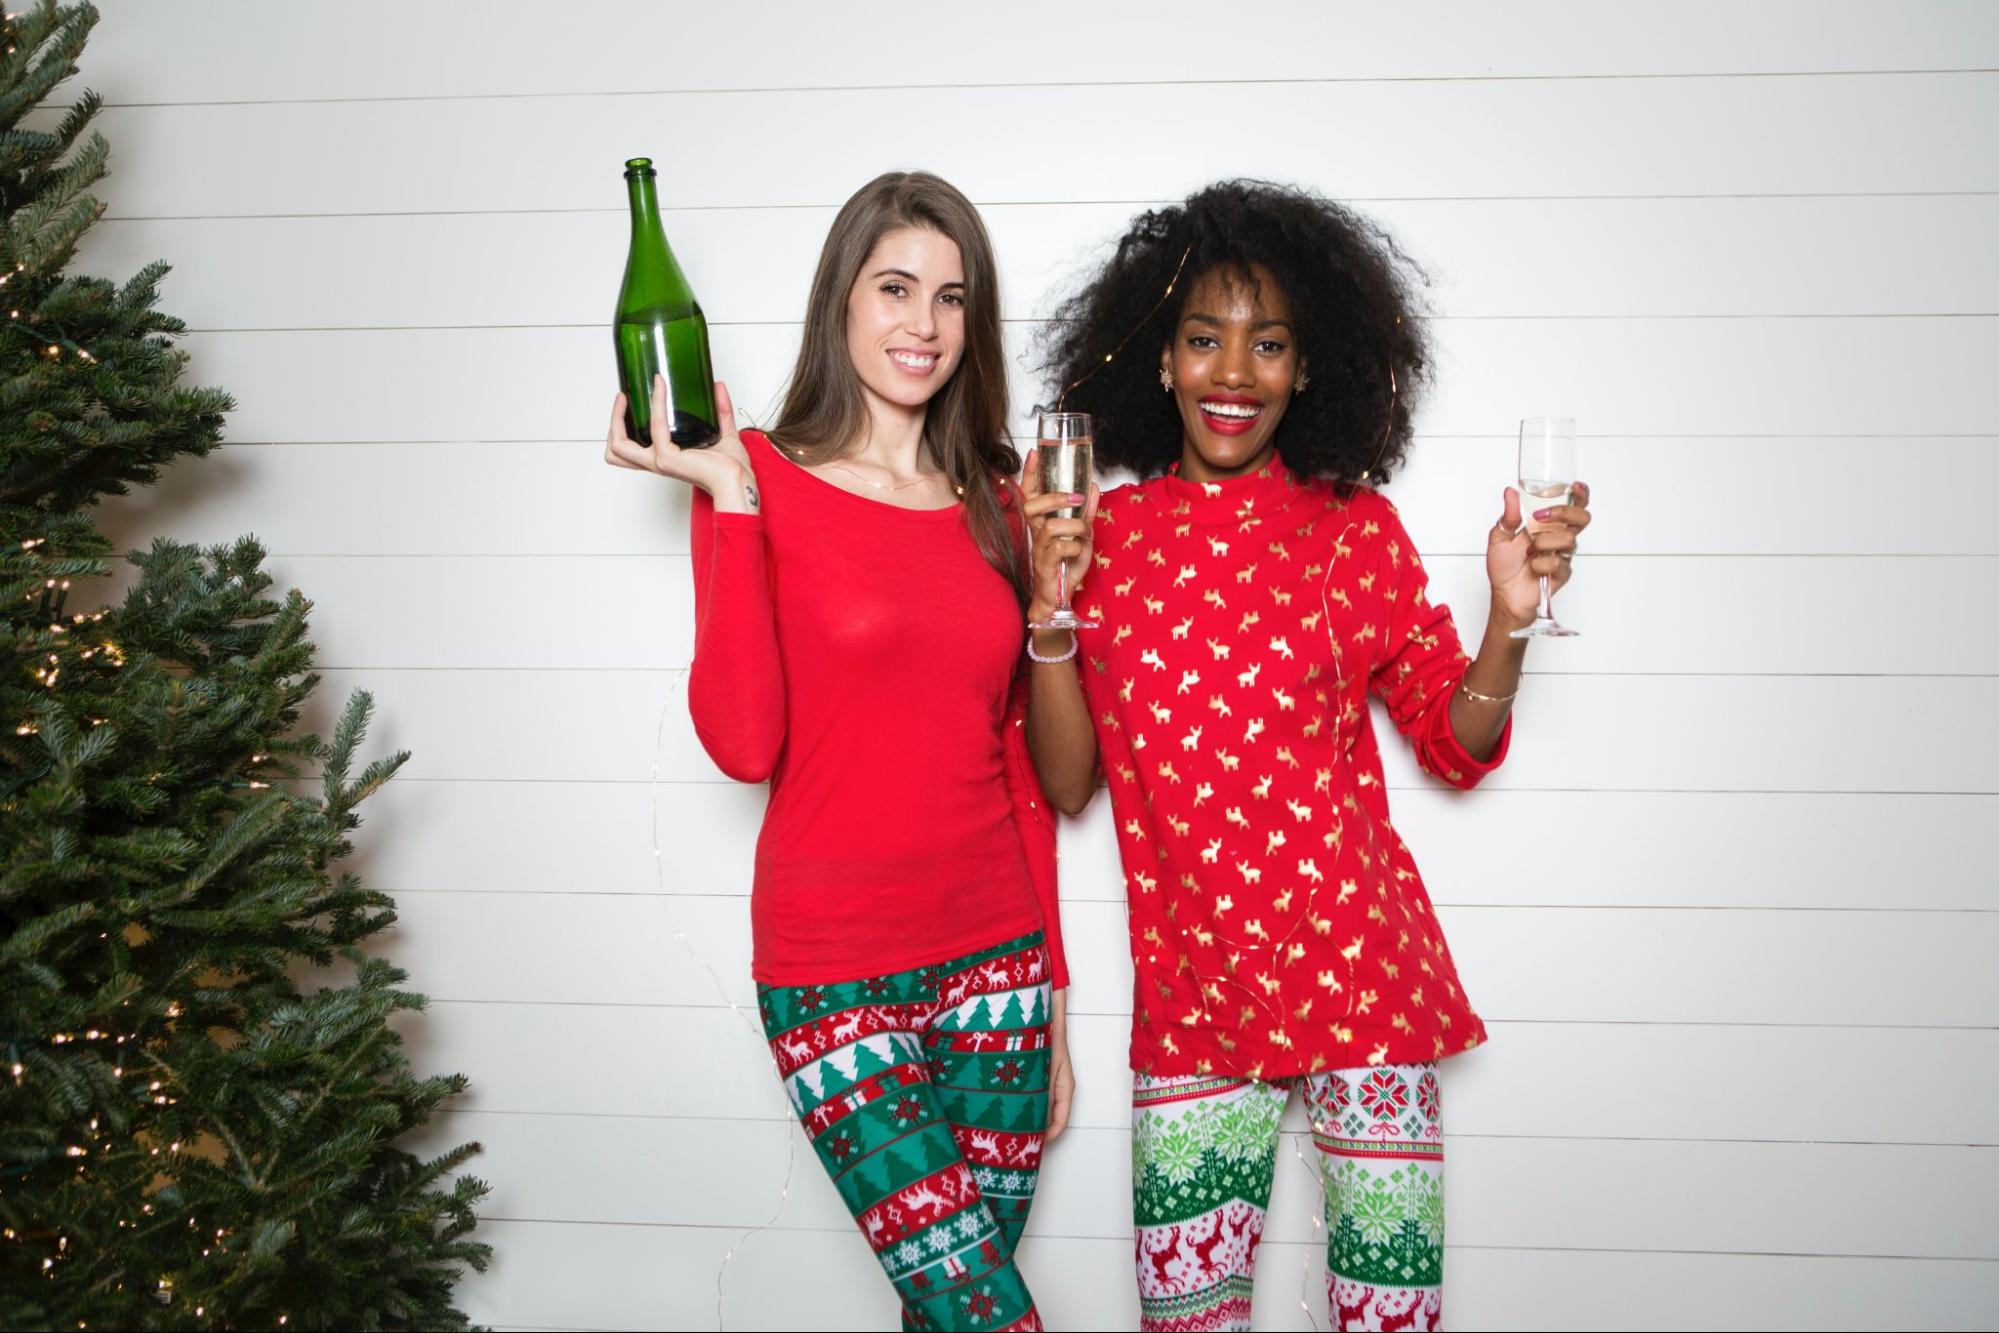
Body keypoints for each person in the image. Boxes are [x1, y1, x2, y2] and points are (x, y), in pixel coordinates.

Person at [1018, 179, 1591, 1332]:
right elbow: (1068, 784)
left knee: (1391, 1318)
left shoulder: (1350, 529)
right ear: (1160, 361)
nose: (1234, 372)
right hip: (1191, 999)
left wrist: (1509, 613)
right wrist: (1050, 603)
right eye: (1204, 339)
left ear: (1307, 365)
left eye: (1267, 343)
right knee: (1185, 1320)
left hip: (1367, 985)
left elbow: (1454, 741)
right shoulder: (1101, 543)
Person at [604, 170, 1073, 1332]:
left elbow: (1023, 775)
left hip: (999, 965)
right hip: (832, 969)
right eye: (896, 288)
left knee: (948, 1318)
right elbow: (744, 741)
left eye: (951, 299)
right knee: (990, 1318)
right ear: (842, 303)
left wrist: (1053, 996)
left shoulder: (1001, 501)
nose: (923, 325)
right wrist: (727, 496)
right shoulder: (758, 473)